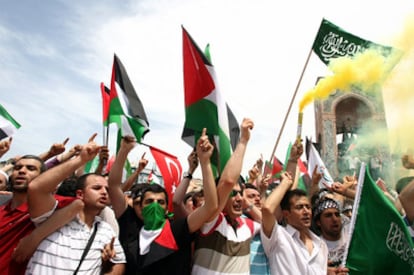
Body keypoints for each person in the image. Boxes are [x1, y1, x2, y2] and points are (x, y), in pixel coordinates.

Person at [109, 128, 217, 275]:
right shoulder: (130, 227)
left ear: (167, 209)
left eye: (160, 202)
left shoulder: (176, 230)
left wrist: (205, 163)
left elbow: (210, 207)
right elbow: (114, 186)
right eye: (149, 202)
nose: (154, 205)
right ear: (139, 206)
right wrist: (124, 151)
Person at [26, 138, 126, 274]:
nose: (104, 192)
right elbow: (36, 188)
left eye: (107, 190)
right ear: (80, 194)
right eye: (97, 188)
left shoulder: (106, 229)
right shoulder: (52, 217)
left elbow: (119, 263)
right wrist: (80, 160)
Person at [192, 118, 262, 275]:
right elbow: (228, 182)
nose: (238, 198)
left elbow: (270, 224)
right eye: (233, 194)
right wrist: (243, 141)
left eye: (240, 194)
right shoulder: (211, 221)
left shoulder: (248, 226)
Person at [0, 154, 75, 274]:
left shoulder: (52, 207)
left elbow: (78, 205)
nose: (22, 171)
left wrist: (35, 237)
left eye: (30, 168)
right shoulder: (2, 207)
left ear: (42, 177)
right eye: (17, 168)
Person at [312, 197, 349, 268]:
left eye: (337, 215)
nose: (334, 219)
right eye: (328, 215)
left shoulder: (352, 239)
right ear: (318, 222)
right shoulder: (315, 248)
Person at [243, 181, 270, 275]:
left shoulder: (269, 224)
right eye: (251, 196)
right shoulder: (238, 221)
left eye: (259, 196)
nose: (258, 199)